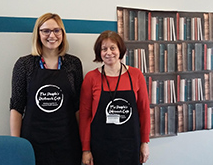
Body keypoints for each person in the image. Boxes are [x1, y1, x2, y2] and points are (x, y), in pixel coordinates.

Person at [9, 13, 83, 165]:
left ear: (63, 34)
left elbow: (78, 106)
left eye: (57, 30)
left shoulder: (73, 64)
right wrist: (15, 146)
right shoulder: (24, 65)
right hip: (33, 142)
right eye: (46, 31)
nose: (52, 35)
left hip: (67, 142)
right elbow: (16, 107)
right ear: (38, 34)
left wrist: (85, 144)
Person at [79, 30, 150, 165]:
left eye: (113, 48)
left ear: (120, 49)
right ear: (99, 52)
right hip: (100, 146)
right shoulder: (91, 78)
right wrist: (86, 149)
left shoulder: (136, 75)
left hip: (130, 145)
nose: (108, 52)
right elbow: (85, 116)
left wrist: (144, 143)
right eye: (104, 49)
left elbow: (144, 111)